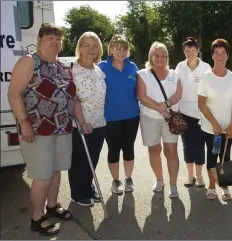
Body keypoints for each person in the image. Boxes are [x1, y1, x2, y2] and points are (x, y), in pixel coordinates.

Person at [7, 23, 90, 236]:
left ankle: (52, 207)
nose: (54, 42)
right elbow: (14, 94)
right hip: (36, 130)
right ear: (40, 40)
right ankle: (37, 217)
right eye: (49, 37)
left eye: (58, 38)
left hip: (62, 128)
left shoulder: (63, 66)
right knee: (42, 175)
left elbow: (74, 98)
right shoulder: (29, 61)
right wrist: (24, 123)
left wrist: (81, 120)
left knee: (56, 170)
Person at [137, 41, 183, 198]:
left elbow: (178, 94)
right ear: (151, 55)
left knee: (171, 151)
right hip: (149, 117)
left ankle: (173, 184)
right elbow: (142, 96)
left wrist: (166, 104)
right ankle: (159, 180)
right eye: (157, 55)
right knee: (154, 150)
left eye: (164, 56)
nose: (160, 58)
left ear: (167, 58)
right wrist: (159, 108)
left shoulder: (174, 74)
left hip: (171, 118)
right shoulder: (142, 74)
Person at [198, 38, 232, 201]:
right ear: (212, 55)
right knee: (211, 156)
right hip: (211, 128)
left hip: (229, 127)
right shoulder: (206, 77)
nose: (220, 56)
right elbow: (201, 104)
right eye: (217, 53)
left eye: (223, 53)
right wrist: (215, 124)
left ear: (227, 55)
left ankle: (225, 186)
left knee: (226, 156)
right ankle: (211, 186)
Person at [68, 31, 107, 207]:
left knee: (93, 157)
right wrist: (82, 122)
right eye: (87, 45)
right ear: (80, 48)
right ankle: (77, 194)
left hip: (99, 122)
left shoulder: (98, 70)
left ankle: (88, 186)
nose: (91, 49)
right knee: (79, 160)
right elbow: (73, 98)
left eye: (94, 45)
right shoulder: (72, 69)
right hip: (80, 124)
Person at [98, 35, 140, 194]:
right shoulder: (102, 67)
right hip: (110, 117)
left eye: (124, 49)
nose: (121, 52)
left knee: (129, 148)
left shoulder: (133, 67)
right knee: (114, 149)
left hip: (132, 116)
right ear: (111, 49)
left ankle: (128, 179)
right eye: (117, 48)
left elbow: (140, 90)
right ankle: (116, 181)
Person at [175, 37, 211, 187]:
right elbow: (175, 88)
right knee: (186, 145)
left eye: (193, 50)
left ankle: (199, 176)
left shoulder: (206, 67)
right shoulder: (179, 67)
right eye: (187, 50)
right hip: (182, 113)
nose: (189, 53)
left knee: (199, 145)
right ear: (184, 51)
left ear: (198, 50)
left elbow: (210, 90)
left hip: (200, 113)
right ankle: (190, 176)